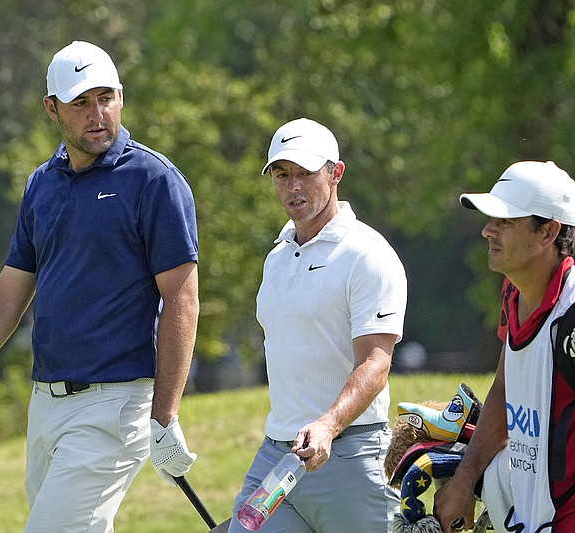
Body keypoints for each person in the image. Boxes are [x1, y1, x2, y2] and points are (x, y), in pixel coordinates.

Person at [0, 40, 200, 533]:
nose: (97, 114)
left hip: (115, 404)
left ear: (121, 98)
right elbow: (6, 297)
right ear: (52, 108)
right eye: (81, 102)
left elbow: (182, 299)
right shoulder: (42, 184)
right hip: (46, 404)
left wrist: (164, 414)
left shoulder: (153, 181)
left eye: (106, 98)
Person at [227, 118, 407, 532]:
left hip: (351, 454)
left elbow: (375, 364)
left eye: (306, 173)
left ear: (335, 172)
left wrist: (328, 424)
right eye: (282, 174)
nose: (293, 186)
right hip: (278, 457)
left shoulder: (367, 254)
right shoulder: (276, 258)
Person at [434, 161, 575, 533]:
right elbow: (505, 384)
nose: (487, 231)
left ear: (548, 232)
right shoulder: (514, 290)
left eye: (506, 222)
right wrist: (465, 479)